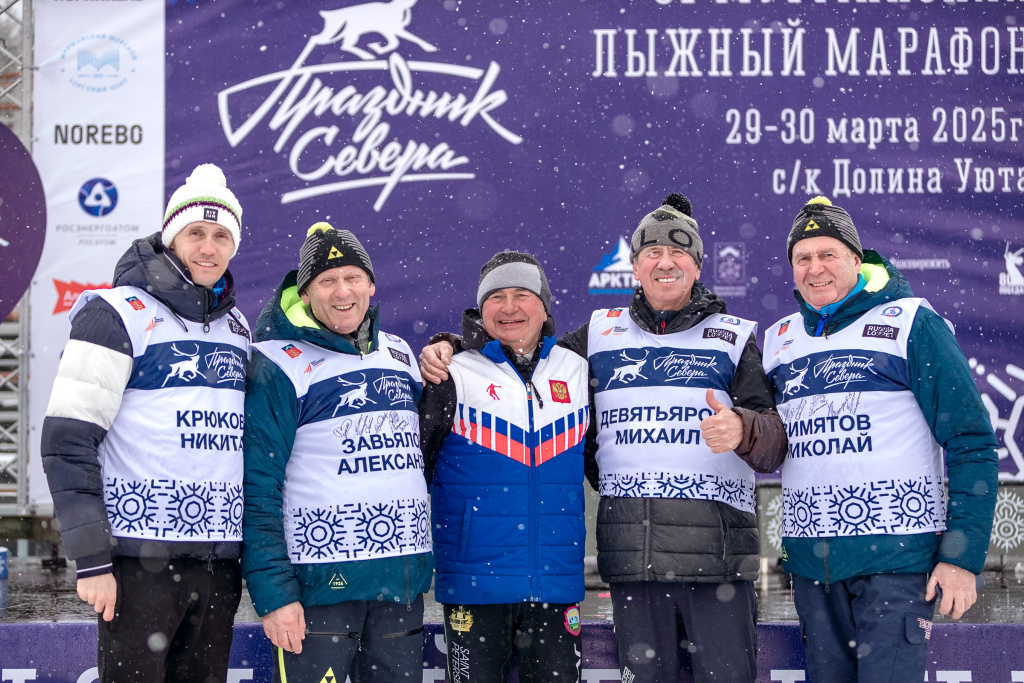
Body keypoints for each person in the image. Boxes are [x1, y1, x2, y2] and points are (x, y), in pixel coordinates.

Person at [421, 194, 788, 683]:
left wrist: (744, 428)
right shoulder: (598, 335)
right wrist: (453, 344)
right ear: (635, 267)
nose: (664, 263)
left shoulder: (734, 336)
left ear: (698, 266)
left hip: (718, 565)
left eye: (678, 253)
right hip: (634, 564)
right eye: (652, 252)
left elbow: (774, 441)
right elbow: (519, 350)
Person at [762, 197, 999, 683]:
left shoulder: (911, 322)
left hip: (896, 563)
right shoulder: (778, 339)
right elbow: (763, 438)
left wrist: (960, 558)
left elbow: (971, 442)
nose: (815, 268)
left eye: (828, 254)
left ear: (856, 259)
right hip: (812, 569)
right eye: (803, 258)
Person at [41, 164, 249, 682]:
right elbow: (67, 441)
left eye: (222, 235)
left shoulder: (238, 326)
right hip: (137, 562)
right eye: (195, 233)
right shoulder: (116, 313)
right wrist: (92, 560)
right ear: (170, 236)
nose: (208, 247)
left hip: (218, 565)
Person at [242, 222, 433, 682]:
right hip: (318, 593)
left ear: (371, 285)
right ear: (306, 293)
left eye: (353, 278)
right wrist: (274, 595)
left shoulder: (401, 355)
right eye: (327, 281)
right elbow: (257, 487)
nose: (342, 291)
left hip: (399, 588)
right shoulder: (277, 363)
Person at [418, 251, 588, 682]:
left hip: (554, 586)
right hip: (475, 587)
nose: (509, 307)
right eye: (496, 297)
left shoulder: (577, 368)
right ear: (481, 310)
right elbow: (414, 469)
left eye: (522, 295)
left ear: (544, 306)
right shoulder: (451, 371)